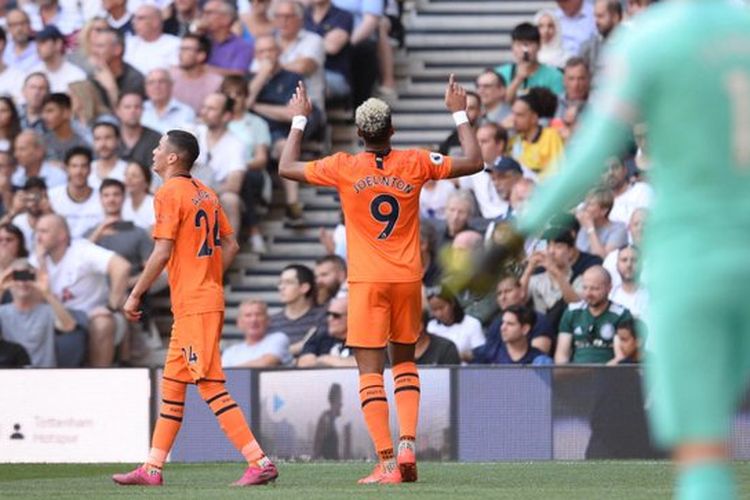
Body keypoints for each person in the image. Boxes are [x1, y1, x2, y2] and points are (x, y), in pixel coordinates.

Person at [278, 74, 482, 483]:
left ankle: (387, 462)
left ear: (358, 133)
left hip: (367, 282)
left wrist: (299, 121)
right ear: (392, 129)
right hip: (407, 279)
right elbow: (475, 161)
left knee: (370, 373)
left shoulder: (343, 166)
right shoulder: (416, 161)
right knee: (405, 363)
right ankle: (408, 445)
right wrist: (459, 111)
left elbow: (286, 167)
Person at [113, 130, 277, 487]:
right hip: (200, 299)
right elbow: (230, 244)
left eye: (159, 147)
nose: (153, 152)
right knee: (172, 387)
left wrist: (135, 293)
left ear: (173, 158)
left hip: (194, 305)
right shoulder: (206, 191)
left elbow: (161, 251)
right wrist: (209, 276)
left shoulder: (169, 192)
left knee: (210, 384)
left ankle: (259, 461)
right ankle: (153, 468)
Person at [33, 213, 131, 367]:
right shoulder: (37, 257)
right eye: (37, 231)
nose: (38, 237)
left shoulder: (81, 250)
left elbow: (121, 266)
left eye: (44, 231)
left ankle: (98, 380)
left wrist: (111, 306)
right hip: (57, 316)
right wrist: (40, 264)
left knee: (102, 323)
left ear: (62, 236)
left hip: (90, 314)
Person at [0, 258, 76, 367]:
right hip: (14, 375)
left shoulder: (47, 311)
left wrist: (47, 293)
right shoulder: (3, 312)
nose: (22, 283)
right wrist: (1, 288)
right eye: (17, 277)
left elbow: (69, 326)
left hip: (43, 377)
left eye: (27, 277)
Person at [554, 266, 632, 364]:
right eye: (585, 288)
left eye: (595, 289)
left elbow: (620, 357)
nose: (588, 293)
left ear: (609, 288)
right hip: (576, 374)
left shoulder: (620, 315)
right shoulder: (572, 312)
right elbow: (562, 355)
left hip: (609, 374)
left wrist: (600, 374)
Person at [495, 23, 564, 103]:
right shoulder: (500, 74)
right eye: (519, 44)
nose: (525, 50)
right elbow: (499, 107)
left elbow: (557, 107)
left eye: (529, 44)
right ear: (512, 47)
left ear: (539, 46)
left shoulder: (555, 76)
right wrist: (518, 79)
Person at [269, 263, 326, 355]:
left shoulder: (323, 317)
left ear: (304, 288)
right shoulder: (272, 321)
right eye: (280, 283)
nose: (281, 287)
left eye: (288, 282)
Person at [47, 147, 104, 239]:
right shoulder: (52, 196)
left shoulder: (102, 197)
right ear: (66, 169)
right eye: (74, 166)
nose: (79, 172)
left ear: (90, 169)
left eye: (83, 166)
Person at [221, 300, 292, 368]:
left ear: (268, 320)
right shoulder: (230, 352)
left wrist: (231, 371)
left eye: (258, 314)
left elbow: (267, 363)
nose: (253, 319)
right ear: (239, 323)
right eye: (248, 315)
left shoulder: (279, 338)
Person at [426, 285, 485, 361]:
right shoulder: (430, 327)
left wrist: (455, 355)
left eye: (441, 308)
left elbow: (481, 355)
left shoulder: (472, 324)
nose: (439, 314)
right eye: (434, 310)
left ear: (452, 303)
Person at [170, 34, 223, 115]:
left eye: (186, 49)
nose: (180, 54)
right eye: (181, 49)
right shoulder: (170, 76)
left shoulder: (216, 84)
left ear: (201, 56)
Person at [297, 296, 356, 367]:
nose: (330, 319)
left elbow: (361, 364)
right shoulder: (320, 336)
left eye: (336, 316)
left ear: (351, 317)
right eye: (328, 314)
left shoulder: (360, 341)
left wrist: (326, 359)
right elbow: (303, 362)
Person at [201, 0, 254, 76]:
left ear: (226, 19)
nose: (203, 17)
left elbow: (238, 75)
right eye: (203, 13)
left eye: (209, 13)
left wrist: (205, 70)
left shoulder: (242, 47)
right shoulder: (201, 40)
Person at [124, 5, 179, 76]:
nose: (134, 22)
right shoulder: (128, 44)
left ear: (155, 22)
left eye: (140, 18)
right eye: (134, 18)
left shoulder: (174, 44)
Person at [30, 25, 86, 93]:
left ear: (58, 44)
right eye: (37, 43)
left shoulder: (76, 76)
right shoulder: (32, 74)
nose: (38, 47)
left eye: (43, 42)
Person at [141, 69, 196, 134]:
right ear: (145, 87)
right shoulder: (139, 109)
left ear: (171, 85)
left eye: (161, 82)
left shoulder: (186, 112)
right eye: (151, 82)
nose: (156, 86)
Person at [116, 92, 162, 170]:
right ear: (118, 111)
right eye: (127, 107)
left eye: (137, 107)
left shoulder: (156, 139)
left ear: (143, 110)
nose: (132, 111)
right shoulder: (110, 137)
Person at [40, 93, 90, 163]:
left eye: (50, 111)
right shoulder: (41, 143)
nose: (44, 116)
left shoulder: (83, 143)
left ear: (66, 113)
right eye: (43, 112)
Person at [90, 121, 128, 190]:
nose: (103, 144)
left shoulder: (128, 170)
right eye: (98, 139)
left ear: (118, 140)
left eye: (108, 138)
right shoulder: (86, 169)